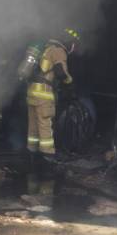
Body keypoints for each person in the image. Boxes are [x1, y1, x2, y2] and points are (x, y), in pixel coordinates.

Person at [25, 28, 80, 157]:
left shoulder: (45, 48)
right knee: (45, 125)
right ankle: (47, 156)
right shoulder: (58, 51)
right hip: (43, 95)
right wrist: (70, 84)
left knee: (33, 126)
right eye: (73, 44)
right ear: (68, 42)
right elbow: (61, 72)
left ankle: (31, 153)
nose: (73, 48)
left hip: (32, 92)